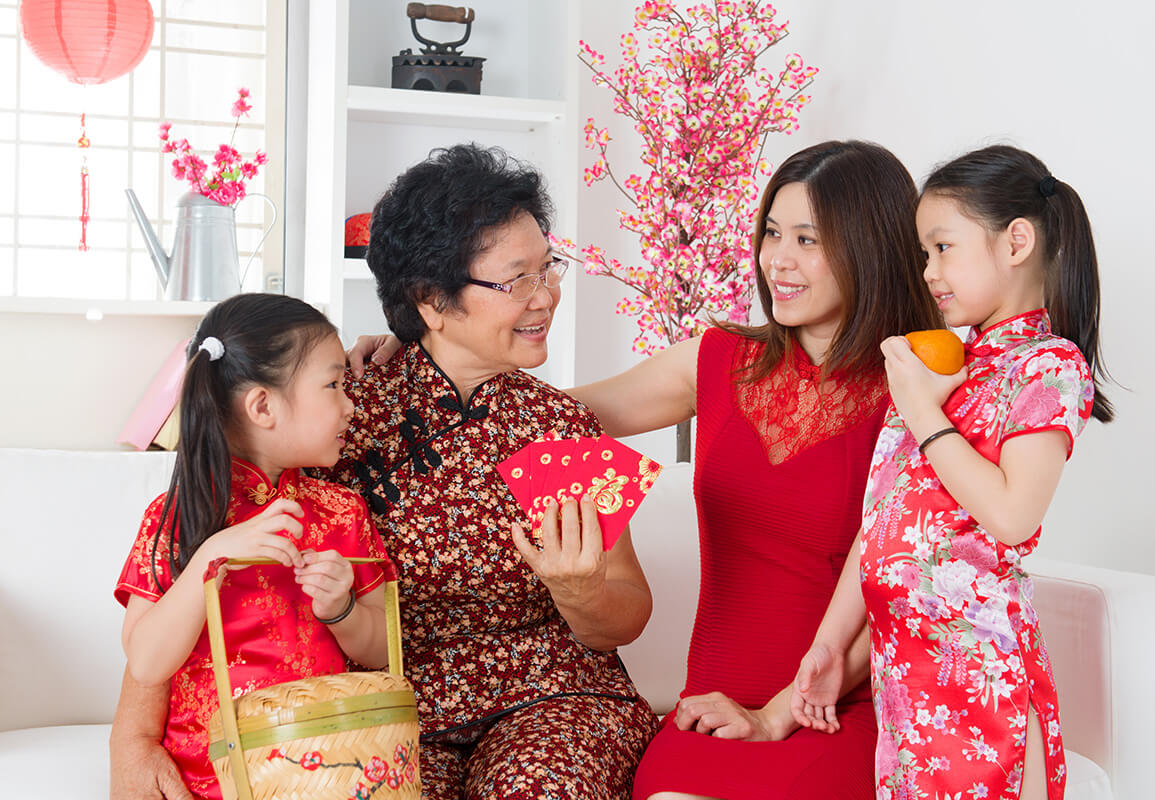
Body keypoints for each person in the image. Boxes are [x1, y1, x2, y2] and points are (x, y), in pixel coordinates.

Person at [347, 139, 943, 798]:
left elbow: (907, 581)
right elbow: (523, 412)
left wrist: (778, 712)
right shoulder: (717, 359)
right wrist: (420, 344)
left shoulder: (916, 388)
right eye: (773, 231)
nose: (779, 258)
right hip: (709, 705)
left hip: (834, 698)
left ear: (871, 247)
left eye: (808, 239)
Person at [109, 144, 658, 800]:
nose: (549, 295)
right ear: (431, 299)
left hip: (550, 699)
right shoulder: (339, 413)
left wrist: (581, 589)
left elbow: (625, 615)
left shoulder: (558, 427)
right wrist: (133, 740)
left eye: (550, 268)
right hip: (380, 710)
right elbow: (198, 538)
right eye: (518, 279)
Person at [790, 145, 1112, 800]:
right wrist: (829, 642)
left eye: (943, 248)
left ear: (1016, 240)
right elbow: (883, 518)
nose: (929, 272)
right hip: (904, 675)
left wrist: (920, 412)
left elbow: (1013, 515)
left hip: (978, 677)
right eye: (923, 254)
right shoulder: (938, 363)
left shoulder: (1046, 367)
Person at [113, 293, 392, 800]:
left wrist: (343, 609)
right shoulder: (176, 516)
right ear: (262, 406)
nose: (351, 404)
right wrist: (210, 556)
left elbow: (383, 648)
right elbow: (147, 662)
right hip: (207, 781)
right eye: (333, 385)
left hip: (326, 772)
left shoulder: (342, 511)